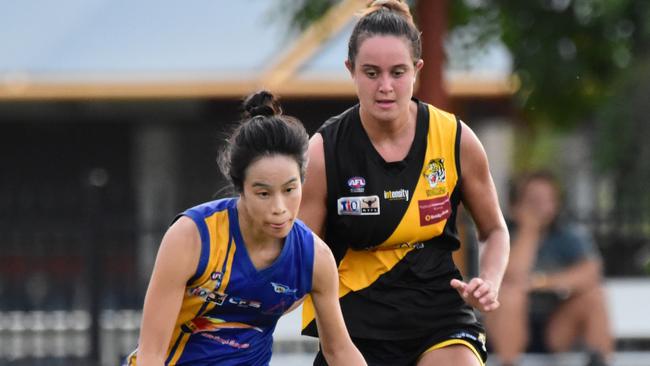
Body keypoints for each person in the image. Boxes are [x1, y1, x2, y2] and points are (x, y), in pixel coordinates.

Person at [298, 1, 510, 365]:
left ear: (417, 70)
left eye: (398, 72)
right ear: (350, 71)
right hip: (354, 320)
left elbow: (494, 231)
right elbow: (300, 255)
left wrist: (488, 281)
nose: (385, 87)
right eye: (371, 73)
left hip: (438, 312)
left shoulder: (456, 139)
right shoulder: (322, 152)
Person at [125, 91, 367, 366]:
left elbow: (339, 351)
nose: (279, 207)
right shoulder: (191, 237)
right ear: (240, 189)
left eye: (290, 189)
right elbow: (151, 355)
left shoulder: (315, 258)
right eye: (263, 193)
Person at [483, 171, 613, 366]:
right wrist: (529, 231)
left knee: (594, 296)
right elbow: (512, 277)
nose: (541, 207)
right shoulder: (501, 234)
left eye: (548, 200)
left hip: (554, 327)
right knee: (510, 296)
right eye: (534, 200)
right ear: (516, 205)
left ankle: (601, 361)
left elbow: (591, 273)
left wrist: (541, 283)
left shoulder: (569, 235)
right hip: (506, 331)